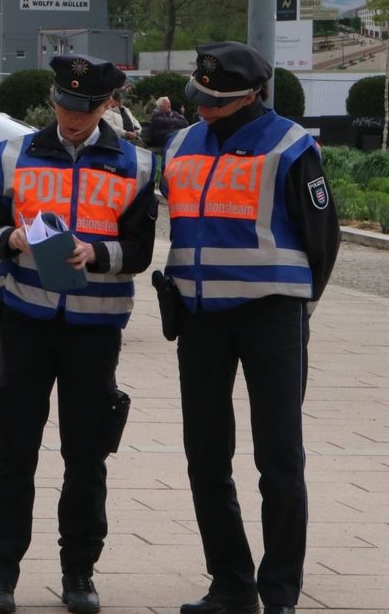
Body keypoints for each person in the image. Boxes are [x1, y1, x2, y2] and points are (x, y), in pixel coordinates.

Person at [160, 42, 340, 614]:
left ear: (252, 95)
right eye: (202, 99)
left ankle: (280, 590)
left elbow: (323, 238)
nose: (206, 110)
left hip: (271, 318)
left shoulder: (289, 144)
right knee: (205, 455)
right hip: (200, 318)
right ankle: (231, 583)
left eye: (219, 102)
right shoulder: (182, 142)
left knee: (279, 458)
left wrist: (297, 312)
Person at [0, 55, 158, 614]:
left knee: (86, 456)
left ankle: (79, 573)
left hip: (95, 329)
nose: (71, 117)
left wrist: (96, 253)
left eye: (84, 108)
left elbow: (142, 252)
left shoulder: (136, 165)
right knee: (13, 452)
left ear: (108, 106)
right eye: (62, 104)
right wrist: (10, 241)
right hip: (25, 320)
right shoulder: (14, 154)